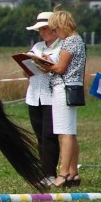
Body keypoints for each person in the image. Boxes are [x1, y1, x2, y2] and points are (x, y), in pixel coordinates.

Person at [44, 9, 86, 189]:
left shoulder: (70, 41)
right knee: (70, 132)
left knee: (65, 134)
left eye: (55, 29)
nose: (55, 33)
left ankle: (63, 173)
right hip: (71, 87)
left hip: (63, 87)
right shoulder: (77, 40)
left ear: (62, 26)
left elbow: (60, 68)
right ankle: (73, 171)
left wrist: (45, 65)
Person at [24, 12, 61, 187]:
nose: (42, 32)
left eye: (44, 28)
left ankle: (50, 173)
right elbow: (27, 72)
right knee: (40, 136)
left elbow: (60, 68)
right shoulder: (37, 46)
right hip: (34, 95)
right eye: (39, 30)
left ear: (54, 28)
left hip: (51, 95)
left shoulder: (62, 46)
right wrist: (26, 65)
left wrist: (48, 63)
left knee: (49, 136)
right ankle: (44, 172)